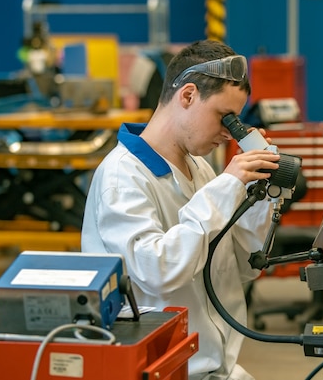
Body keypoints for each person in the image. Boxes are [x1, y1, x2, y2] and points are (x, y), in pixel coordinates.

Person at [81, 39, 281, 380]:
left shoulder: (199, 169)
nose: (228, 133)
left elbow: (240, 267)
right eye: (223, 117)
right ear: (187, 96)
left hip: (213, 365)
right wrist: (225, 187)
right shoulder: (123, 176)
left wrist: (258, 195)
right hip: (157, 369)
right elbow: (159, 272)